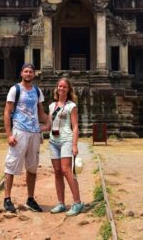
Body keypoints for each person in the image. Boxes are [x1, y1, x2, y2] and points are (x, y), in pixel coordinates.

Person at [3, 63, 48, 213]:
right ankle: (7, 198)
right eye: (26, 71)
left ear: (34, 74)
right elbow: (7, 112)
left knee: (32, 167)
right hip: (19, 130)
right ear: (21, 73)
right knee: (12, 164)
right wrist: (9, 134)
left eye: (31, 72)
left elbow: (40, 112)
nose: (28, 74)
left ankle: (30, 198)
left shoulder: (37, 91)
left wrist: (49, 122)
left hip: (34, 132)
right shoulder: (14, 89)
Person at [45, 77, 83, 216]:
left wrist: (74, 144)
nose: (61, 89)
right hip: (53, 141)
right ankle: (61, 203)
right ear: (57, 88)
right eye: (59, 86)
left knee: (66, 170)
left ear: (68, 90)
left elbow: (75, 126)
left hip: (66, 140)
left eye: (64, 87)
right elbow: (49, 126)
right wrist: (34, 128)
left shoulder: (71, 106)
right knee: (57, 172)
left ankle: (77, 202)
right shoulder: (51, 106)